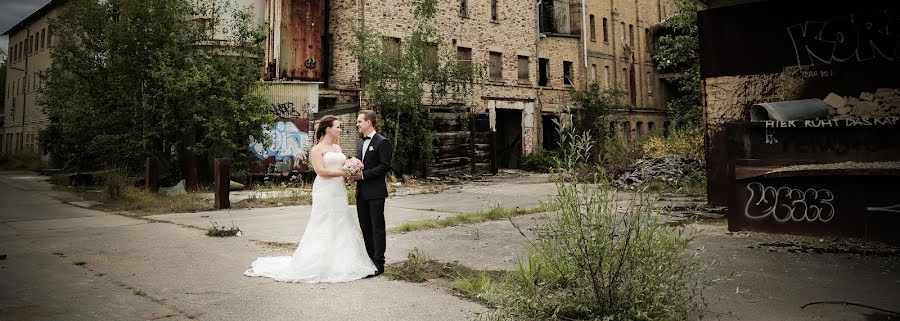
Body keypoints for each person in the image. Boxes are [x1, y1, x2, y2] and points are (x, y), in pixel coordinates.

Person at [244, 115, 376, 283]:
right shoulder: (317, 149)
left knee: (341, 220)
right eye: (338, 127)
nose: (340, 130)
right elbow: (321, 171)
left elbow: (341, 166)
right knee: (323, 221)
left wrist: (351, 171)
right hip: (325, 189)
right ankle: (318, 262)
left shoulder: (337, 147)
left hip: (338, 189)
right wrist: (345, 173)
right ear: (328, 129)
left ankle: (341, 260)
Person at [350, 110, 393, 277]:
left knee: (377, 228)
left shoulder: (383, 142)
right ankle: (369, 261)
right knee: (365, 228)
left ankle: (379, 263)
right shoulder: (361, 143)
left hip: (376, 193)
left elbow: (384, 166)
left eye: (360, 121)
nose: (357, 124)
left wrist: (363, 175)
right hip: (361, 193)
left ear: (369, 122)